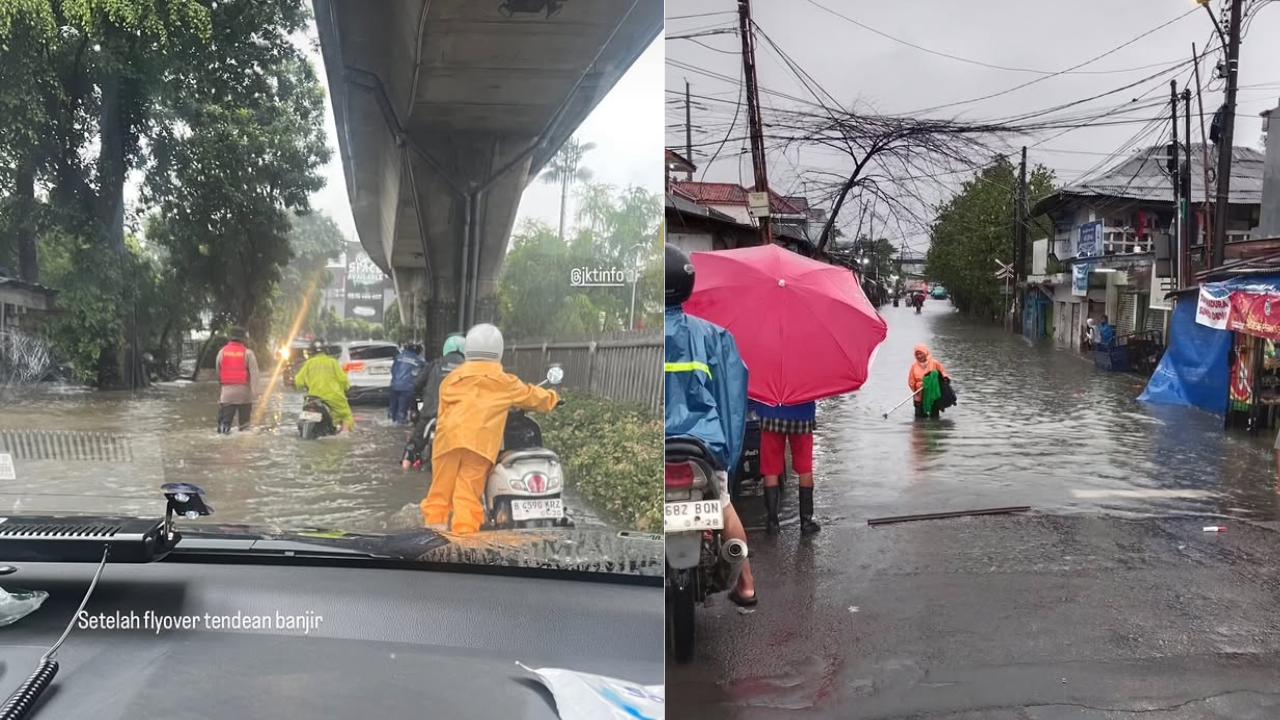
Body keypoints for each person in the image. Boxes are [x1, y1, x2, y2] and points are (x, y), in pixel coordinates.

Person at [665, 244, 758, 607]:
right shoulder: (713, 336)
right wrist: (726, 453)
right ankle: (746, 584)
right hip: (703, 444)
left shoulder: (633, 334)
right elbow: (732, 400)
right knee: (723, 504)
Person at [423, 323, 559, 534]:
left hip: (447, 441)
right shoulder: (504, 382)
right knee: (467, 494)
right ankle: (464, 540)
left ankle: (432, 533)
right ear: (498, 350)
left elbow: (442, 412)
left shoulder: (450, 380)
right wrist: (553, 398)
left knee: (439, 492)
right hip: (478, 444)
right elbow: (532, 396)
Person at [754, 399, 819, 535]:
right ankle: (806, 522)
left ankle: (772, 523)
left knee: (770, 468)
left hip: (771, 411)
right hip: (802, 412)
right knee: (805, 468)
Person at [401, 334, 466, 469]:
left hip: (430, 416)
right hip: (458, 420)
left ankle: (404, 468)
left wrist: (418, 404)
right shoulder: (469, 369)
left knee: (412, 448)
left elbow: (415, 385)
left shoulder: (433, 365)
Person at [294, 339, 355, 433]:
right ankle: (343, 436)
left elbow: (298, 382)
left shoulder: (308, 364)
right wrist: (346, 388)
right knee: (346, 416)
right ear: (326, 350)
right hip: (333, 399)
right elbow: (343, 380)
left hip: (313, 399)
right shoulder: (332, 362)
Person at [215, 326, 260, 434]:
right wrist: (255, 393)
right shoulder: (248, 353)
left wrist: (222, 390)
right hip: (244, 395)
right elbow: (255, 374)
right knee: (244, 426)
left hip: (227, 394)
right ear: (244, 339)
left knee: (224, 427)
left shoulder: (222, 352)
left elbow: (218, 373)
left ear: (230, 337)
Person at [908, 343, 950, 419]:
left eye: (921, 353)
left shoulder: (935, 363)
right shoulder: (914, 366)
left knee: (934, 416)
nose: (919, 356)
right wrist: (916, 390)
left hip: (933, 393)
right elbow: (911, 381)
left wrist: (945, 378)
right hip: (920, 393)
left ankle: (934, 424)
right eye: (917, 354)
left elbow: (943, 372)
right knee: (919, 417)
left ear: (925, 352)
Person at [388, 342, 425, 425]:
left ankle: (391, 421)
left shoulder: (398, 357)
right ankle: (400, 426)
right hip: (407, 388)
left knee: (392, 409)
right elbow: (423, 375)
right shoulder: (419, 361)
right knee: (402, 410)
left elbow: (392, 370)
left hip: (394, 385)